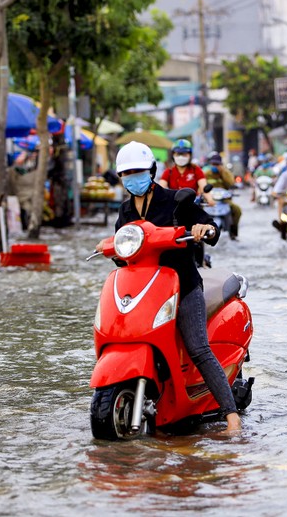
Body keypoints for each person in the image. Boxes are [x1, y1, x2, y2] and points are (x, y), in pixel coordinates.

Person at [95, 141, 240, 432]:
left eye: (138, 171)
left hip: (182, 285)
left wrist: (204, 229)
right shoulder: (124, 212)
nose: (132, 178)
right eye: (127, 174)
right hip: (144, 291)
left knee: (198, 348)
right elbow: (123, 258)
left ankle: (231, 416)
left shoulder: (177, 200)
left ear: (151, 171)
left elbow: (209, 225)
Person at [159, 139, 213, 206]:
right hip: (174, 208)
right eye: (178, 154)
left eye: (184, 154)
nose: (181, 157)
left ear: (190, 155)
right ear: (173, 155)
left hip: (193, 207)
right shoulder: (168, 172)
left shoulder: (196, 170)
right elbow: (160, 189)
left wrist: (209, 199)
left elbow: (203, 186)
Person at [203, 151, 242, 240]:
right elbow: (202, 186)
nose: (215, 166)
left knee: (237, 210)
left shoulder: (226, 173)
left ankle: (233, 233)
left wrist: (222, 172)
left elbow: (231, 184)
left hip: (224, 200)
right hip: (210, 200)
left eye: (217, 164)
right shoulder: (207, 174)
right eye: (213, 164)